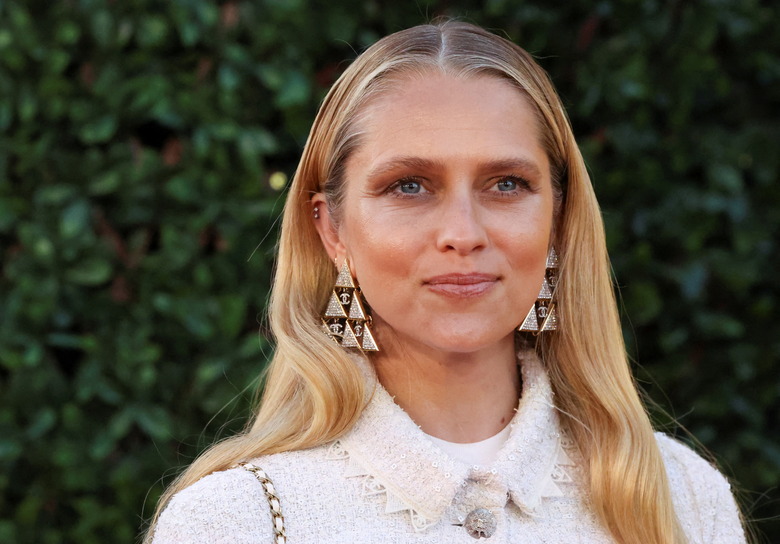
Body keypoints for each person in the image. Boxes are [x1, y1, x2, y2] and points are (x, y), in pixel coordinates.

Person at [146, 20, 746, 544]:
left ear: (559, 221)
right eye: (409, 185)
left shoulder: (685, 500)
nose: (463, 232)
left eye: (506, 183)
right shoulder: (238, 522)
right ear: (332, 231)